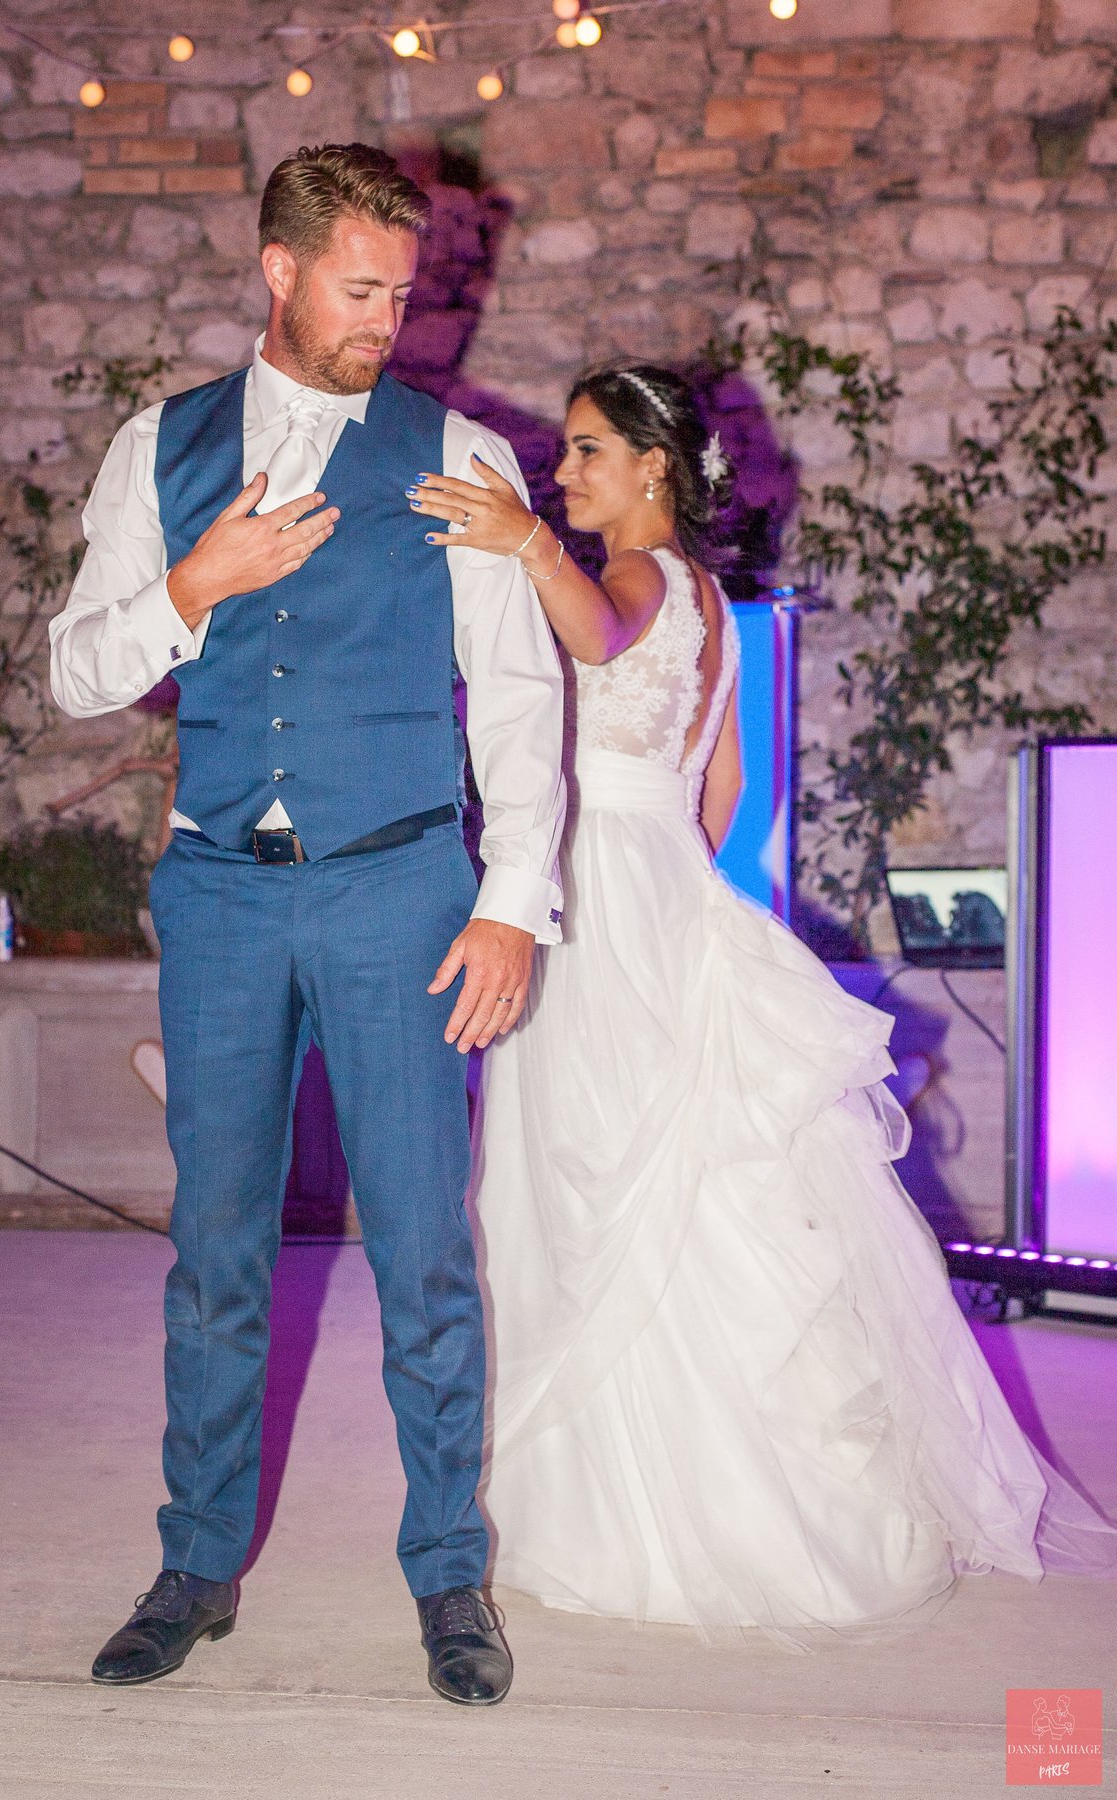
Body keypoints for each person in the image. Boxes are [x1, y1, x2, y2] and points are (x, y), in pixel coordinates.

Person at [408, 362, 1117, 1649]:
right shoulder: (716, 603)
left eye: (585, 450)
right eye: (563, 456)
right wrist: (673, 876)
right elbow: (727, 786)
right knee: (673, 1180)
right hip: (665, 880)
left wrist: (521, 541)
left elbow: (598, 641)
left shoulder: (633, 575)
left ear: (653, 466)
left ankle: (620, 1510)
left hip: (603, 889)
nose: (562, 474)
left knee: (586, 1176)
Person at [49, 143, 567, 1702]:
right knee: (214, 1250)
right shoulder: (159, 447)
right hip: (218, 890)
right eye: (359, 290)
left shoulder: (456, 453)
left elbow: (519, 695)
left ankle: (450, 1574)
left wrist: (512, 902)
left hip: (401, 887)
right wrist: (194, 585)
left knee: (423, 1252)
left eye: (401, 294)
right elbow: (76, 672)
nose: (386, 322)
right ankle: (196, 1563)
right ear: (277, 271)